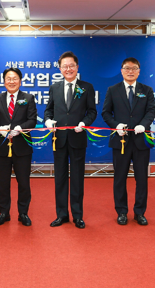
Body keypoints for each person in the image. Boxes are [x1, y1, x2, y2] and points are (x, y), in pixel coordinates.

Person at [44, 51, 97, 229]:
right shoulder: (54, 88)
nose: (68, 69)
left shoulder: (86, 87)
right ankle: (61, 214)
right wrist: (48, 120)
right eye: (65, 66)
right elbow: (48, 110)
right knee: (59, 178)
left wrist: (84, 122)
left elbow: (92, 111)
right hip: (58, 139)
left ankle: (77, 215)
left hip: (77, 137)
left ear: (77, 67)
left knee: (77, 178)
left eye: (71, 66)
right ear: (60, 68)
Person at [101, 57, 155, 226]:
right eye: (127, 68)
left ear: (139, 71)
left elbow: (151, 111)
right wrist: (116, 125)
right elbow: (105, 113)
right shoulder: (113, 89)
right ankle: (122, 211)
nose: (130, 71)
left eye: (134, 68)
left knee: (142, 178)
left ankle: (140, 212)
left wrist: (144, 125)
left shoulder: (146, 90)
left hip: (141, 141)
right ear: (121, 70)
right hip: (121, 141)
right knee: (119, 178)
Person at [0, 68, 38, 226]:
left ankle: (23, 213)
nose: (11, 81)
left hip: (22, 148)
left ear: (20, 80)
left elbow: (32, 120)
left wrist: (20, 128)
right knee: (3, 183)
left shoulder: (28, 98)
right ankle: (4, 213)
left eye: (14, 78)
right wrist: (0, 130)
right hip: (2, 147)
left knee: (23, 182)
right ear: (3, 81)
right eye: (8, 78)